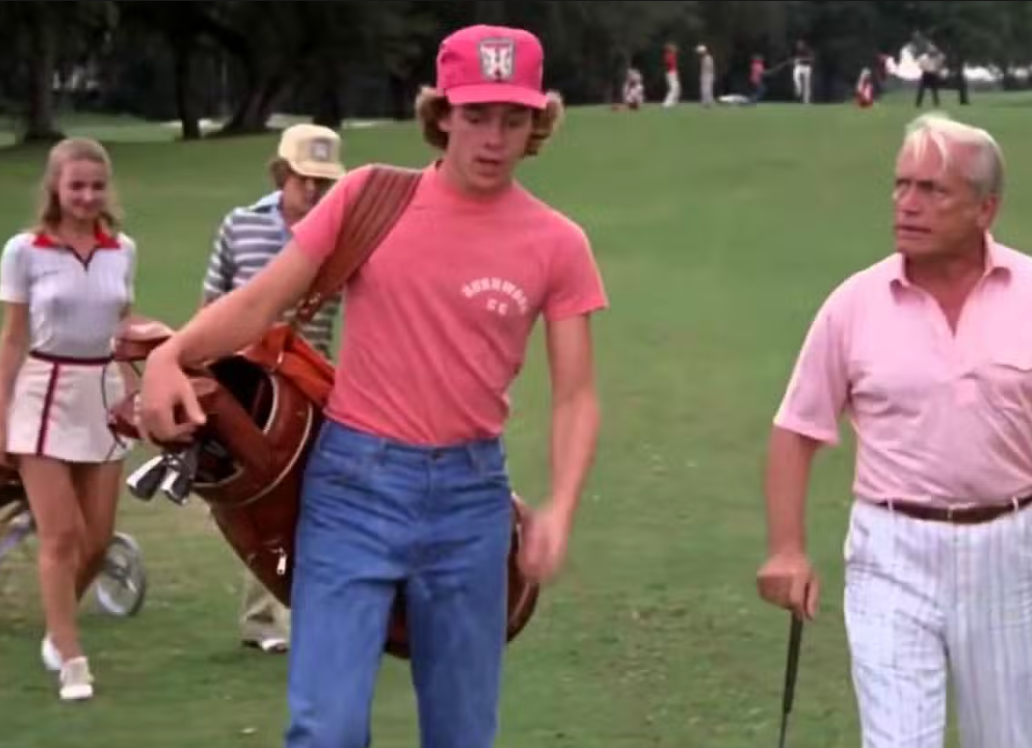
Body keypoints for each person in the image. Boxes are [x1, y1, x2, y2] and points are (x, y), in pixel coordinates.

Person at [135, 23, 607, 748]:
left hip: (472, 504)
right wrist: (172, 357)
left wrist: (564, 508)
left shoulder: (558, 243)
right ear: (441, 113)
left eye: (513, 119)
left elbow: (576, 393)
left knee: (461, 734)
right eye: (476, 115)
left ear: (536, 123)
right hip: (353, 489)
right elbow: (261, 302)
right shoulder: (368, 199)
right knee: (326, 729)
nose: (492, 138)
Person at [757, 112, 1032, 748]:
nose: (907, 205)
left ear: (985, 209)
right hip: (892, 552)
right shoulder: (854, 304)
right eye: (901, 185)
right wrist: (787, 547)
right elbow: (797, 430)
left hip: (1011, 553)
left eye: (933, 190)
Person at [0, 137, 138, 701]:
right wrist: (1, 412)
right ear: (55, 188)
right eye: (75, 185)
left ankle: (60, 627)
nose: (86, 196)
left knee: (98, 541)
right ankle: (71, 655)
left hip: (103, 394)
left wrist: (135, 397)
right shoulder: (24, 250)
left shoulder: (123, 249)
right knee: (62, 534)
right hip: (42, 393)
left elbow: (124, 328)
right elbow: (12, 339)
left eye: (96, 185)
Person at [200, 123, 345, 654]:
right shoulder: (240, 226)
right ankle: (264, 619)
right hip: (247, 387)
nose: (313, 191)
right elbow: (212, 303)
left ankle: (308, 612)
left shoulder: (344, 236)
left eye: (323, 183)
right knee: (262, 503)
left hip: (314, 385)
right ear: (282, 173)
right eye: (304, 179)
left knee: (318, 501)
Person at [663, 41, 681, 107]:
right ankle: (667, 103)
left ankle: (674, 102)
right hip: (670, 73)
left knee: (677, 88)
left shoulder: (671, 55)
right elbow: (669, 64)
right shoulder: (668, 55)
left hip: (673, 72)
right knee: (673, 88)